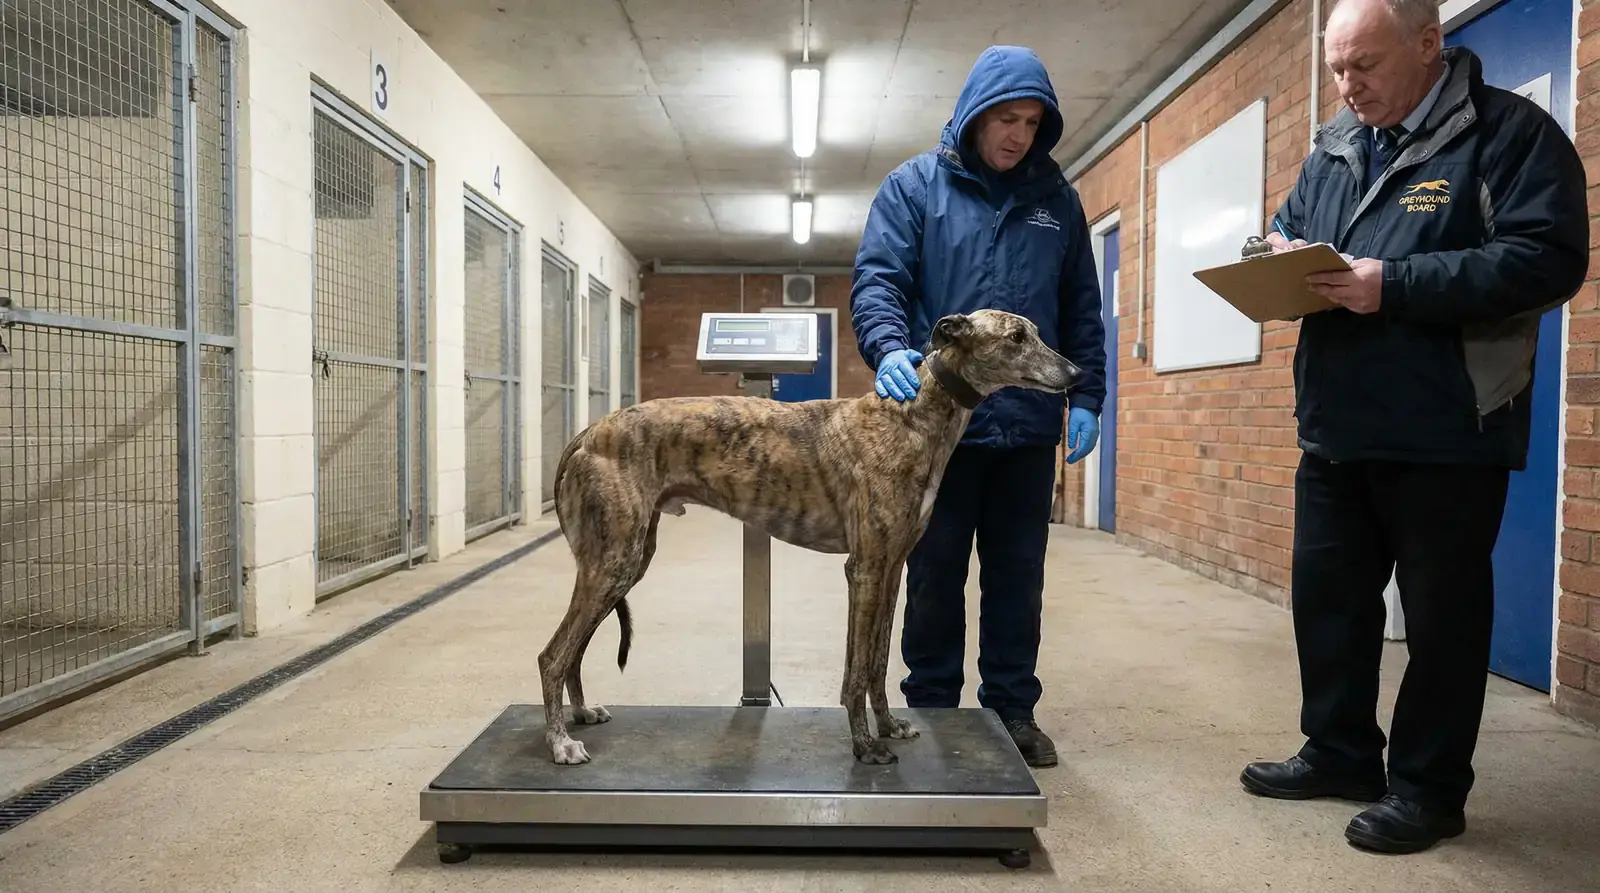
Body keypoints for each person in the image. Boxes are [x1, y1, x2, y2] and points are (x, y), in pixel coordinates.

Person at [1238, 0, 1589, 854]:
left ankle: (1428, 790)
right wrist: (1276, 256)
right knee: (1329, 604)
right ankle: (1340, 751)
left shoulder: (1512, 134)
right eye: (1336, 69)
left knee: (1442, 620)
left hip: (1447, 427)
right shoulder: (1332, 146)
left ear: (1430, 44)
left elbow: (1548, 257)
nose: (1346, 86)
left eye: (1364, 65)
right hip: (1335, 421)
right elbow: (1299, 230)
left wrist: (1394, 283)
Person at [848, 44, 1108, 769]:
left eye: (1031, 121)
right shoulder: (914, 188)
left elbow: (1081, 306)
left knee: (1017, 575)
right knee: (931, 572)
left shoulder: (1057, 201)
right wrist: (888, 345)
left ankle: (1011, 709)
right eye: (1005, 117)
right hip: (937, 430)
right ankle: (930, 702)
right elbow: (879, 279)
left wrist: (1088, 393)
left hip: (1026, 428)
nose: (1017, 134)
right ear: (973, 115)